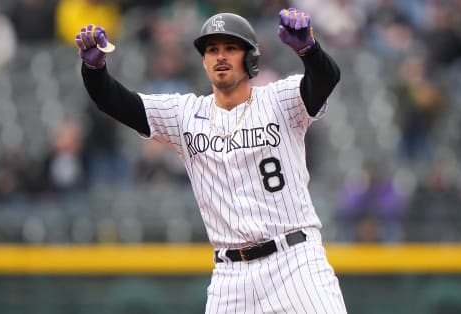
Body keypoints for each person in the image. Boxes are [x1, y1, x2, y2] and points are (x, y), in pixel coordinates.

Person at [75, 7, 346, 313]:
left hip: (294, 262)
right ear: (203, 61)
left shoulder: (279, 100)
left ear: (251, 59)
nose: (220, 56)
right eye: (212, 49)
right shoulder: (184, 115)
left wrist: (308, 49)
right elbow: (115, 102)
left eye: (231, 48)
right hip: (230, 276)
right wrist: (95, 71)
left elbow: (326, 78)